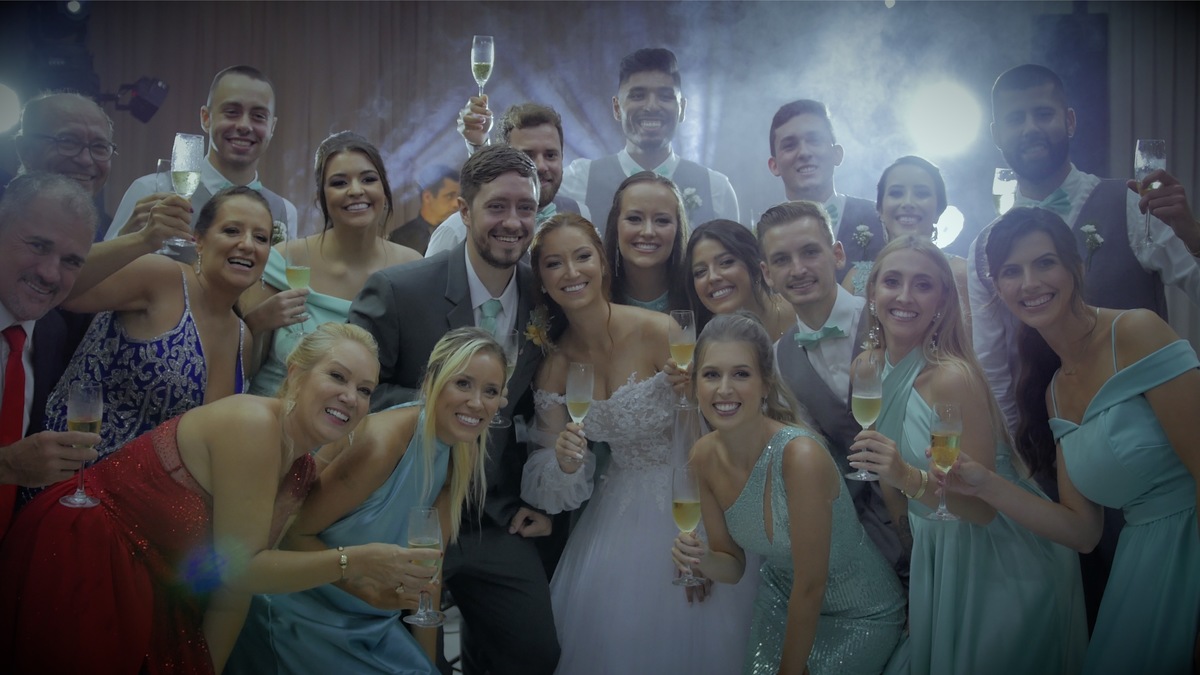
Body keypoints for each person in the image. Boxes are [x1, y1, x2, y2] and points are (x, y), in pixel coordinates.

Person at [0, 323, 428, 674]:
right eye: (337, 376)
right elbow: (243, 570)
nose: (351, 397)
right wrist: (354, 561)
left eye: (366, 390)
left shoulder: (299, 471)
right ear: (296, 373)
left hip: (156, 588)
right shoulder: (253, 424)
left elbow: (234, 592)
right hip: (85, 555)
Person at [967, 63, 1200, 627]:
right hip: (1063, 452)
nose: (1030, 127)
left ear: (1069, 121)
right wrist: (1024, 464)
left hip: (1157, 449)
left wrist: (1194, 234)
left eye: (1043, 113)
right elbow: (994, 364)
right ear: (998, 134)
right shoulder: (985, 245)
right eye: (1016, 118)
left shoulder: (1130, 203)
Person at [945, 207, 1200, 674]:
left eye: (1045, 263)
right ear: (998, 290)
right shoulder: (1054, 394)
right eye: (1012, 272)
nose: (1030, 283)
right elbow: (1083, 533)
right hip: (1140, 572)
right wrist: (985, 484)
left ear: (1076, 269)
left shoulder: (1136, 332)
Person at [349, 144, 558, 675]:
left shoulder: (547, 298)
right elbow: (354, 394)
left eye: (526, 208)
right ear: (464, 211)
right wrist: (443, 406)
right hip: (408, 511)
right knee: (406, 663)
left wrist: (547, 497)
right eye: (497, 206)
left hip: (497, 518)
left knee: (534, 655)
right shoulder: (399, 291)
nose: (513, 222)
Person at [520, 213, 756, 675]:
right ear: (542, 281)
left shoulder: (661, 331)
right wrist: (565, 462)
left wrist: (705, 542)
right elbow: (544, 464)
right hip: (616, 513)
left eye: (582, 257)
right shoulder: (555, 366)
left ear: (602, 263)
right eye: (554, 264)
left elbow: (714, 430)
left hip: (694, 499)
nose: (571, 272)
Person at [847, 235, 1086, 674]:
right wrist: (913, 565)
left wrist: (906, 476)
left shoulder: (951, 378)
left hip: (994, 556)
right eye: (892, 281)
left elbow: (980, 510)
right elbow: (889, 483)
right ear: (872, 292)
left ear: (941, 301)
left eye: (923, 285)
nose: (905, 296)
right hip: (933, 551)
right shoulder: (866, 367)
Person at [227, 327, 504, 674]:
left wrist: (429, 665)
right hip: (302, 615)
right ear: (433, 380)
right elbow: (291, 535)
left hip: (369, 624)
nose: (477, 403)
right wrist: (364, 589)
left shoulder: (462, 451)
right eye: (463, 383)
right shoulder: (383, 444)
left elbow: (427, 574)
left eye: (491, 391)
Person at [672, 311, 905, 675]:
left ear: (766, 383)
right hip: (781, 602)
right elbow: (732, 567)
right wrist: (700, 558)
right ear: (695, 383)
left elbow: (812, 584)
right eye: (711, 374)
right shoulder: (702, 457)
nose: (724, 389)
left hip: (860, 614)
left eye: (741, 374)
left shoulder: (801, 456)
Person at [39, 187, 271, 479]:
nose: (247, 245)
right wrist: (141, 240)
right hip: (72, 483)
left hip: (153, 500)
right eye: (232, 230)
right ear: (198, 240)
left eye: (260, 238)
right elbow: (63, 287)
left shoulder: (242, 338)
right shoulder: (162, 277)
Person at [757, 201, 910, 586]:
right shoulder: (778, 359)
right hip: (857, 537)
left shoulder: (890, 318)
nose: (798, 269)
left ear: (837, 254)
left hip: (927, 511)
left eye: (810, 252)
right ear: (768, 274)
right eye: (782, 259)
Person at [240, 131, 420, 397]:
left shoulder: (412, 267)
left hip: (365, 415)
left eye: (368, 179)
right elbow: (245, 371)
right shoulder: (283, 260)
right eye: (339, 183)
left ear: (384, 189)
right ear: (321, 197)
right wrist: (256, 323)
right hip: (276, 409)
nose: (356, 190)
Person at [0, 172, 100, 538]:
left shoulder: (51, 331)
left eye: (71, 261)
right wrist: (5, 466)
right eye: (39, 246)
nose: (50, 274)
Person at [104, 65, 299, 243]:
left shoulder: (284, 212)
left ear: (272, 127)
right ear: (206, 118)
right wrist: (129, 238)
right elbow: (102, 269)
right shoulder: (150, 191)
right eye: (232, 112)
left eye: (258, 116)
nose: (244, 126)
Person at [560, 47, 739, 233]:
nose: (652, 106)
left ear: (682, 109)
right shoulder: (579, 181)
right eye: (638, 96)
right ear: (617, 108)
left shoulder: (716, 190)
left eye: (665, 96)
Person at [430, 101, 586, 257]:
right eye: (527, 156)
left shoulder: (581, 214)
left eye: (550, 155)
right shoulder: (455, 231)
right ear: (503, 158)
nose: (541, 166)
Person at [842, 156, 970, 330]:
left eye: (921, 194)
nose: (908, 203)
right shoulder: (856, 278)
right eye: (896, 193)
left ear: (939, 210)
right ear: (880, 209)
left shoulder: (960, 273)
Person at [767, 99, 885, 281]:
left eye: (814, 140)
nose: (804, 153)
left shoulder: (879, 218)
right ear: (774, 165)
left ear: (837, 154)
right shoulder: (764, 234)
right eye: (790, 145)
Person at [685, 218, 794, 341]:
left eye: (726, 262)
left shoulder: (800, 309)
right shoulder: (703, 343)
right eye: (700, 272)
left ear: (756, 265)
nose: (712, 277)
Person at [602, 171, 690, 313]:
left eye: (662, 220)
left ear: (678, 229)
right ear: (615, 225)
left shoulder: (698, 294)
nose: (648, 232)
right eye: (634, 219)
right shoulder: (593, 294)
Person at [389, 164, 461, 254]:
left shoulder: (462, 232)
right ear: (427, 197)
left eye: (458, 196)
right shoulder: (399, 239)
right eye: (449, 196)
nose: (456, 204)